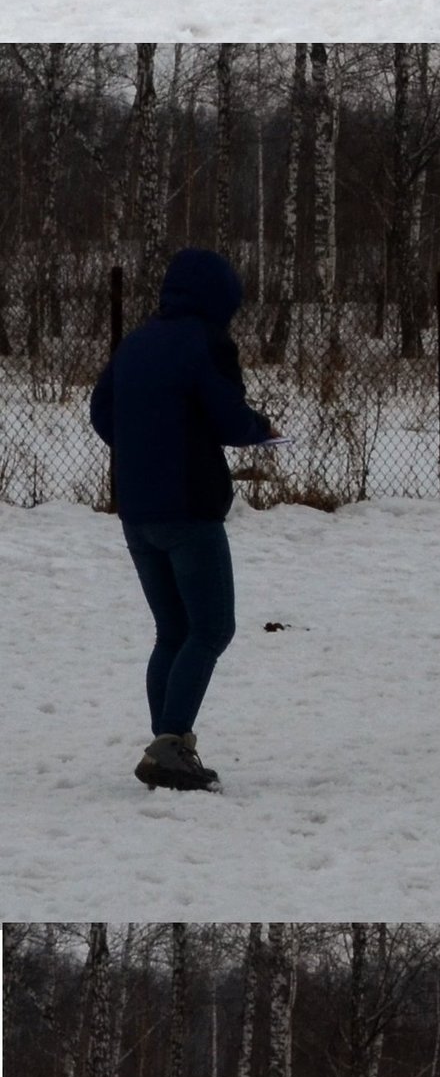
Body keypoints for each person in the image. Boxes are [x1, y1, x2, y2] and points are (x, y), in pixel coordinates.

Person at [90, 247, 276, 792]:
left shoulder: (136, 343)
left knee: (172, 630)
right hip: (190, 507)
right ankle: (171, 745)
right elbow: (227, 415)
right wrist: (259, 429)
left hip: (137, 509)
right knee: (212, 627)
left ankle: (166, 746)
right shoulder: (207, 342)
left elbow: (103, 412)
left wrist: (142, 450)